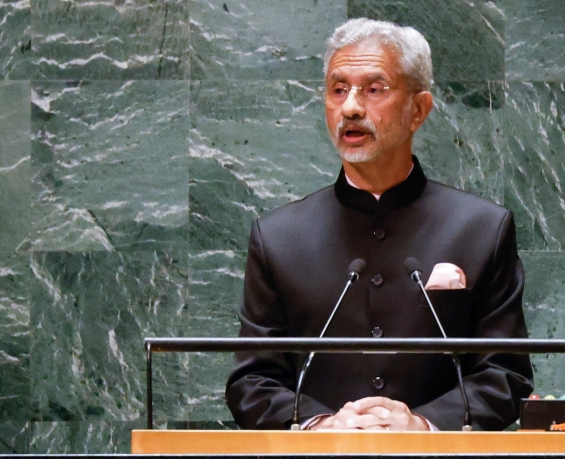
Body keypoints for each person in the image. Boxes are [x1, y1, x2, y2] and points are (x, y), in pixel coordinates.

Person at [225, 18, 533, 431]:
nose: (351, 107)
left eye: (374, 89)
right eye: (338, 89)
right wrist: (320, 425)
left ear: (418, 110)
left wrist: (423, 425)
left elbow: (506, 375)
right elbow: (252, 380)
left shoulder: (481, 229)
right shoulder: (278, 237)